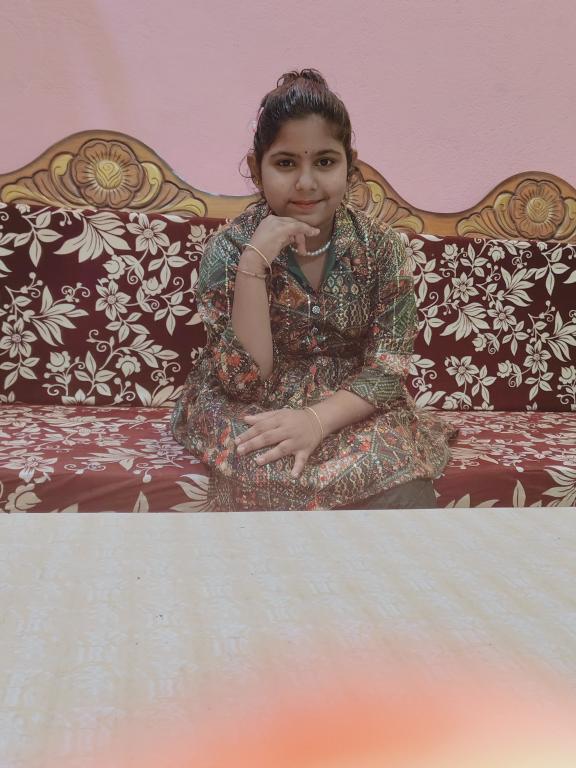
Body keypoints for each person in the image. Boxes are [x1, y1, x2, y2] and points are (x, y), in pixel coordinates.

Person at [171, 69, 452, 511]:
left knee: (395, 467)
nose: (306, 182)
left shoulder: (382, 248)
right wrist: (253, 266)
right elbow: (243, 380)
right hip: (253, 402)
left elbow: (387, 367)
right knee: (261, 455)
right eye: (286, 163)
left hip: (350, 403)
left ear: (349, 166)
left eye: (324, 162)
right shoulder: (228, 250)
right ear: (256, 169)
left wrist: (316, 421)